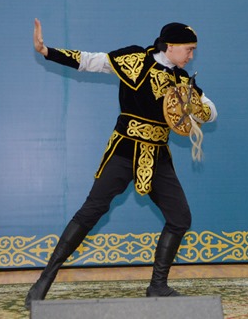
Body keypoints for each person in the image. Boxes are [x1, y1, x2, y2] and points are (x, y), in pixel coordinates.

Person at [26, 18, 217, 310]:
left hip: (158, 156)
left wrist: (196, 106)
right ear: (170, 45)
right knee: (91, 211)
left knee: (180, 218)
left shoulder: (182, 80)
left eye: (193, 50)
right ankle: (43, 282)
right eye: (189, 49)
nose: (192, 55)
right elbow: (91, 61)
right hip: (125, 150)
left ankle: (158, 286)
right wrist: (47, 51)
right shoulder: (136, 60)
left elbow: (211, 112)